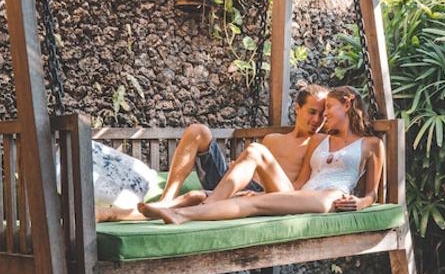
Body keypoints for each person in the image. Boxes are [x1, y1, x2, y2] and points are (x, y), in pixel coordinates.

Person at [137, 86, 384, 225]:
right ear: (297, 109)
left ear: (347, 105)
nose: (321, 117)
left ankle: (195, 209)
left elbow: (371, 193)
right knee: (208, 137)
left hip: (312, 195)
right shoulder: (300, 141)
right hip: (281, 191)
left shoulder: (356, 143)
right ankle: (169, 204)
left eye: (326, 110)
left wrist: (361, 202)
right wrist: (243, 175)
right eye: (315, 111)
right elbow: (298, 182)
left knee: (243, 178)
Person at [95, 84, 327, 222]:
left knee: (199, 193)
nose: (317, 120)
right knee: (198, 131)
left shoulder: (316, 143)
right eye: (312, 112)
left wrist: (260, 195)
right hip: (239, 188)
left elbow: (299, 189)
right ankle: (166, 200)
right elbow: (254, 172)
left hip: (274, 198)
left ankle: (115, 214)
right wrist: (239, 169)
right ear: (297, 108)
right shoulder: (272, 139)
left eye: (322, 115)